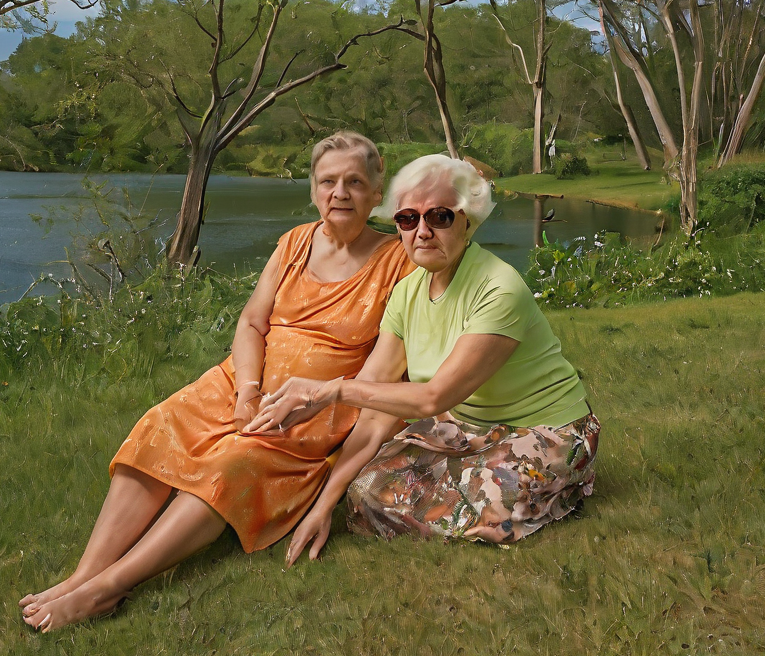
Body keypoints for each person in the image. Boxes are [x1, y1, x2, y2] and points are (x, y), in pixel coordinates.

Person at [19, 132, 413, 631]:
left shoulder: (398, 261)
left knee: (230, 463)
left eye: (354, 182)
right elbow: (251, 323)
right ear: (314, 189)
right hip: (241, 381)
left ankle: (106, 590)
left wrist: (314, 404)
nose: (340, 193)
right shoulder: (295, 242)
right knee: (160, 424)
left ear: (377, 193)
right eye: (328, 181)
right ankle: (85, 573)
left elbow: (384, 371)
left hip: (313, 409)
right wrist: (247, 389)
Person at [250, 154, 601, 562]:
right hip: (468, 427)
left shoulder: (499, 287)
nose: (422, 231)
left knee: (488, 497)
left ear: (467, 220)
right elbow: (373, 413)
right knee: (363, 491)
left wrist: (327, 391)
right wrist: (325, 504)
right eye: (407, 219)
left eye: (439, 217)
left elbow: (433, 398)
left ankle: (564, 485)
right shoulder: (406, 293)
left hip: (548, 428)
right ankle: (499, 489)